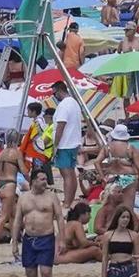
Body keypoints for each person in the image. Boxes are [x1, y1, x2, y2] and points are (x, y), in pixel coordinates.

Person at [12, 168, 62, 277]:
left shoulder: (51, 196)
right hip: (29, 239)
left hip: (46, 237)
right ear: (33, 181)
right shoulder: (23, 197)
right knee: (30, 273)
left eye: (46, 179)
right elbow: (17, 221)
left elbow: (59, 217)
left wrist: (62, 240)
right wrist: (15, 243)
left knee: (46, 272)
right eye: (42, 179)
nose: (45, 182)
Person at [50, 81, 84, 209]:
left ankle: (67, 202)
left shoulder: (64, 105)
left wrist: (56, 145)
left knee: (66, 174)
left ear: (59, 91)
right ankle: (69, 199)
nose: (54, 96)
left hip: (64, 144)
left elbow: (61, 125)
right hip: (73, 142)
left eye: (54, 93)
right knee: (70, 173)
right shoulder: (74, 102)